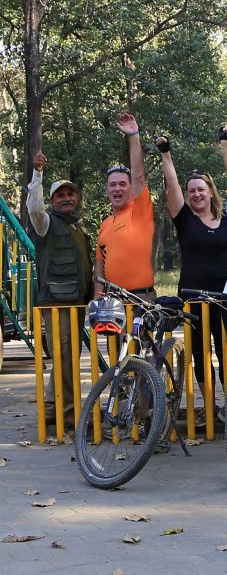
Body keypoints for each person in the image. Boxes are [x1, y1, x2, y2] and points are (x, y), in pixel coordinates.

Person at [155, 135, 227, 392]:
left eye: (201, 189)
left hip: (223, 298)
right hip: (193, 296)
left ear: (211, 192)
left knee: (226, 353)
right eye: (192, 190)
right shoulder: (185, 219)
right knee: (199, 354)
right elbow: (172, 185)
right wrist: (166, 153)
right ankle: (209, 407)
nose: (197, 194)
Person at [27, 152, 93, 426]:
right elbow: (33, 208)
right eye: (60, 195)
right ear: (52, 201)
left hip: (76, 302)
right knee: (63, 354)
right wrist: (38, 174)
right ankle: (68, 413)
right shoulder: (46, 224)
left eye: (70, 194)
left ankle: (54, 407)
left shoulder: (77, 227)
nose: (67, 198)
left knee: (68, 356)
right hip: (56, 304)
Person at [94, 113, 155, 302]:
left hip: (139, 297)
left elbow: (137, 174)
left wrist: (133, 136)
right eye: (112, 185)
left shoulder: (140, 211)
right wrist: (97, 295)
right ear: (106, 189)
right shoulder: (105, 224)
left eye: (122, 184)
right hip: (112, 300)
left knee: (136, 334)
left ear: (131, 189)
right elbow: (99, 263)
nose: (117, 188)